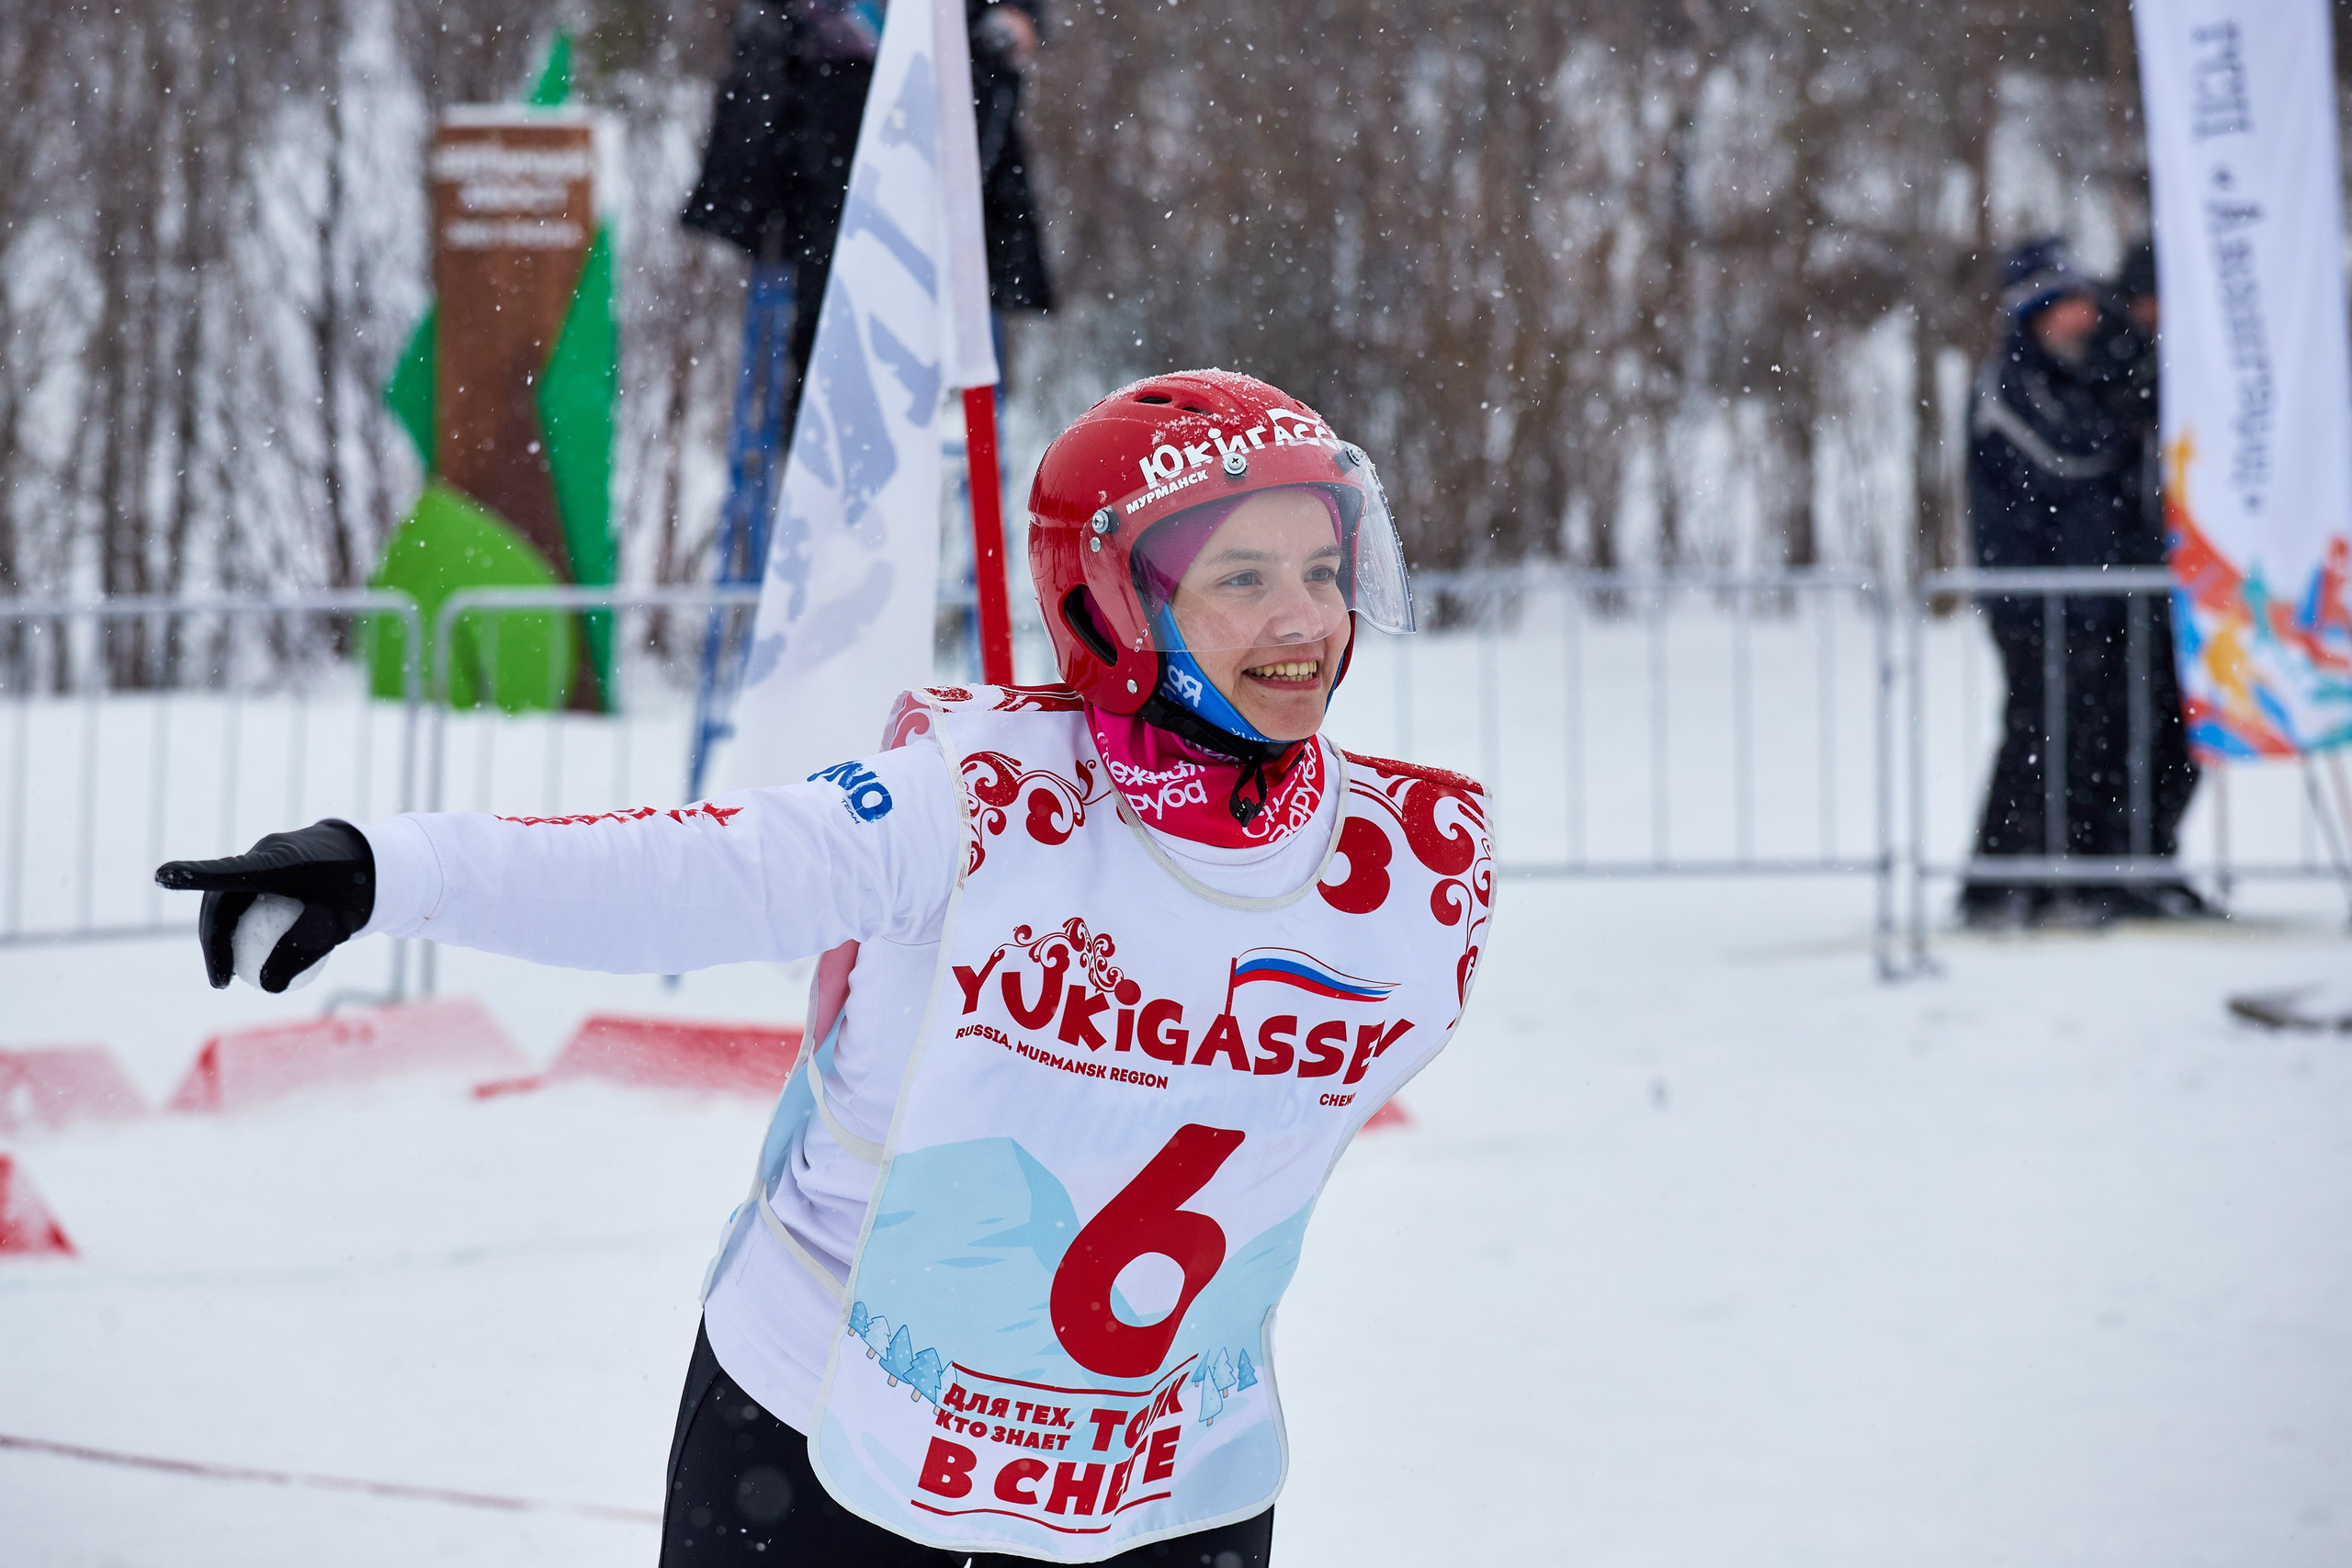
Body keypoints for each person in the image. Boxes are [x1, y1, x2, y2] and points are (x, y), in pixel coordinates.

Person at [154, 370, 1493, 1566]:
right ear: (1116, 602)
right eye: (1242, 578)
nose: (1305, 617)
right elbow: (693, 870)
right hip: (825, 1434)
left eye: (1323, 568)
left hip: (1159, 1485)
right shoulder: (970, 803)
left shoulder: (1408, 866)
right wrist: (386, 865)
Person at [683, 0, 1056, 436]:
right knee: (832, 269)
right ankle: (825, 427)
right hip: (823, 99)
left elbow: (1019, 23)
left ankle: (904, 416)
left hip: (946, 92)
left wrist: (1014, 21)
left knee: (920, 268)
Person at [1961, 237, 2179, 927]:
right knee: (2039, 732)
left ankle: (2083, 873)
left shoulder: (2077, 374)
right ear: (2036, 312)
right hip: (2032, 596)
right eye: (2069, 305)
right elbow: (2065, 454)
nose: (2087, 317)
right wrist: (2122, 408)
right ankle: (2000, 881)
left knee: (2095, 734)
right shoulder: (2011, 383)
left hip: (2096, 593)